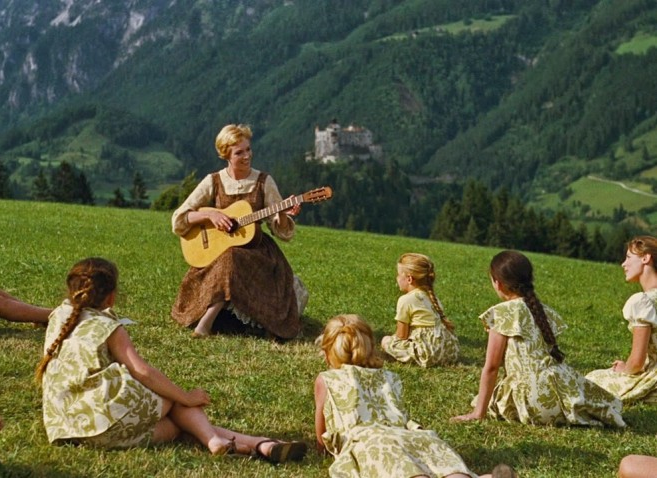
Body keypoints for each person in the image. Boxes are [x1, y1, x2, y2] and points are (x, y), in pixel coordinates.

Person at [37, 257, 307, 461]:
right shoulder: (109, 327)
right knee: (171, 399)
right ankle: (231, 441)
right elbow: (142, 371)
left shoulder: (59, 315)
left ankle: (256, 444)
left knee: (175, 425)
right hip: (104, 420)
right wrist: (186, 396)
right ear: (111, 296)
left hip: (70, 427)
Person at [314, 314, 515, 478]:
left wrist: (322, 449)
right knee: (446, 468)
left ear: (328, 351)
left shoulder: (327, 379)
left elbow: (321, 428)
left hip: (369, 442)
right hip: (410, 435)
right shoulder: (389, 377)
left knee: (405, 471)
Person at [451, 250, 625, 427]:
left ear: (498, 284)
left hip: (532, 400)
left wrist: (478, 413)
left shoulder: (502, 313)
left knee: (485, 401)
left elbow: (492, 367)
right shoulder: (542, 310)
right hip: (560, 391)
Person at [170, 124, 306, 339]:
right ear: (226, 155)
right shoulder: (213, 181)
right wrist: (210, 215)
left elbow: (281, 230)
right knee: (229, 256)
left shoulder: (264, 181)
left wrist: (281, 213)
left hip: (257, 253)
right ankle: (210, 319)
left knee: (232, 257)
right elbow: (179, 219)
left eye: (248, 149)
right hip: (219, 251)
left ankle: (206, 323)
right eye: (239, 152)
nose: (247, 156)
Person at [585, 236, 657, 405]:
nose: (623, 264)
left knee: (592, 380)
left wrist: (625, 369)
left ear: (646, 258)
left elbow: (637, 362)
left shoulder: (643, 301)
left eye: (629, 257)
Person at [381, 253, 459, 367]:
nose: (396, 278)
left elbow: (401, 336)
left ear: (409, 279)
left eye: (398, 275)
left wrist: (391, 340)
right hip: (449, 352)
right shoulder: (432, 298)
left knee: (386, 340)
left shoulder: (405, 300)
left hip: (428, 354)